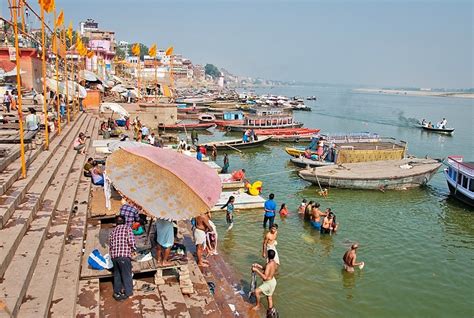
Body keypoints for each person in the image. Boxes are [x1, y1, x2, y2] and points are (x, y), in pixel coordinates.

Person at [109, 215, 136, 301]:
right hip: (124, 256)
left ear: (116, 223)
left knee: (117, 274)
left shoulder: (113, 232)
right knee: (127, 274)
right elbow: (131, 242)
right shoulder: (127, 229)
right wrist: (134, 249)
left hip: (114, 257)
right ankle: (129, 293)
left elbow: (111, 246)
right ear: (124, 221)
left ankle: (117, 292)